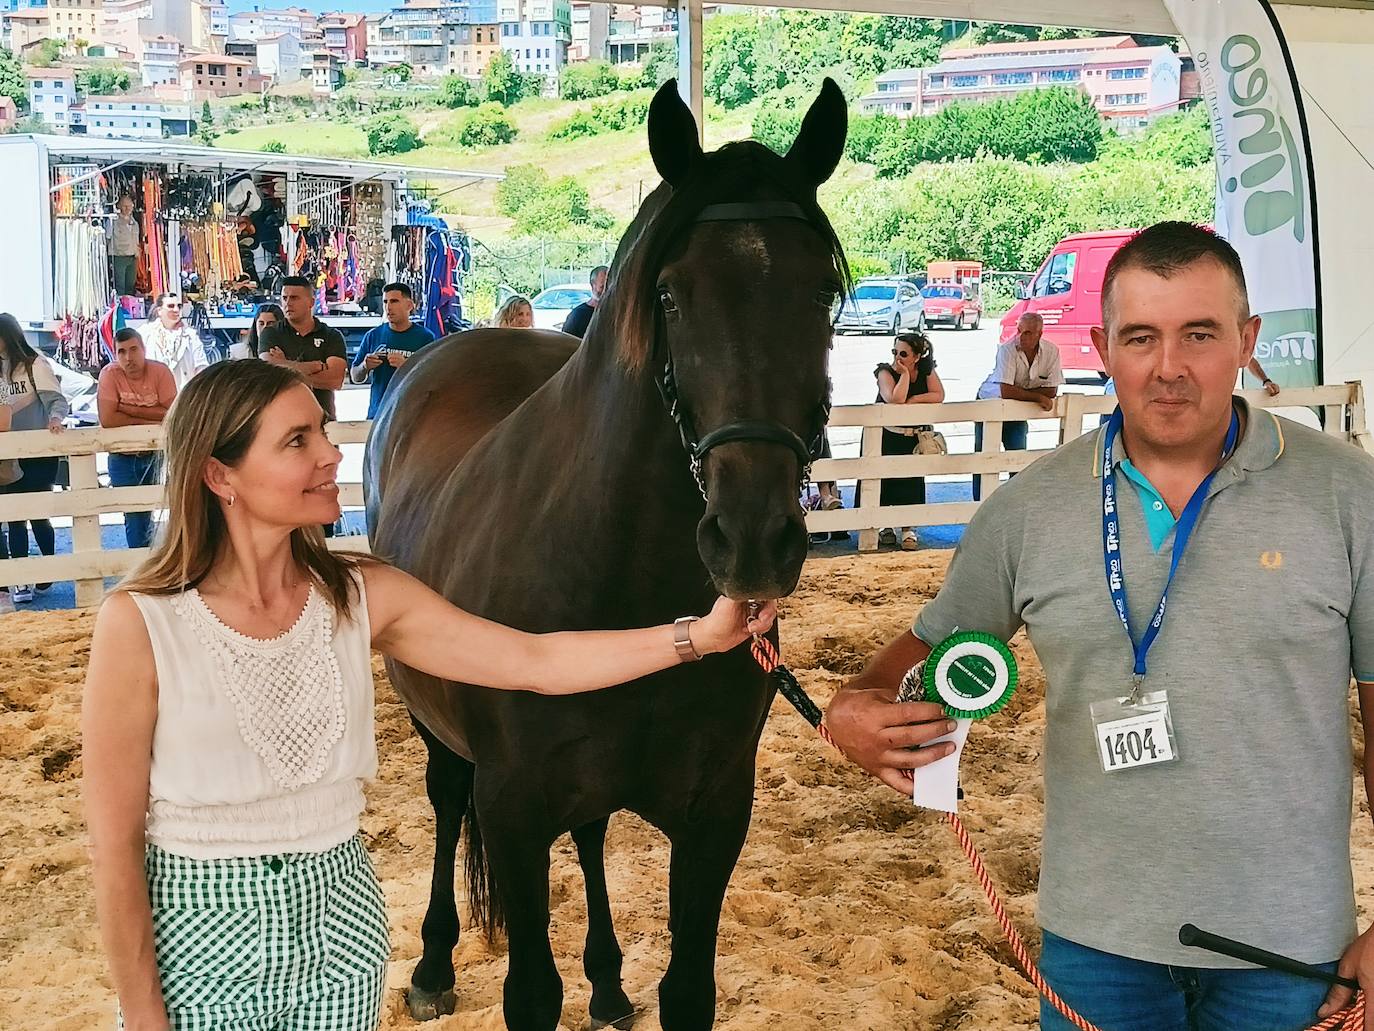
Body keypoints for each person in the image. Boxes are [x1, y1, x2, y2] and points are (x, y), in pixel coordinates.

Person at [81, 358, 775, 1031]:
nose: (331, 454)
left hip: (342, 934)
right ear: (218, 474)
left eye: (323, 430)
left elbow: (534, 660)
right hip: (200, 946)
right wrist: (143, 1013)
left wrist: (699, 637)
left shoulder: (360, 594)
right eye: (298, 440)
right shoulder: (141, 623)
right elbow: (113, 845)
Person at [824, 222, 1374, 1031]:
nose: (1170, 366)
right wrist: (852, 708)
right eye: (1141, 337)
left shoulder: (1347, 495)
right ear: (1102, 346)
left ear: (1247, 341)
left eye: (1200, 334)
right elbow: (914, 661)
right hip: (1096, 946)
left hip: (1289, 949)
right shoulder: (1027, 510)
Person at [0, 313, 68, 604]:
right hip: (8, 454)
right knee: (14, 517)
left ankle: (46, 569)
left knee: (39, 515)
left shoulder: (35, 364)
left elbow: (57, 400)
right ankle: (21, 581)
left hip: (38, 454)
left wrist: (55, 418)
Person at [97, 328, 176, 549]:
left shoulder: (160, 372)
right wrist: (152, 416)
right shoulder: (109, 374)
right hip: (121, 455)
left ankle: (148, 567)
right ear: (115, 354)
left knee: (153, 512)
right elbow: (108, 419)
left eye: (133, 349)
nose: (128, 357)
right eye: (121, 352)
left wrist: (127, 410)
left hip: (154, 454)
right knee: (134, 516)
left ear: (143, 349)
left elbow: (173, 412)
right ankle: (141, 566)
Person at [972, 311, 1062, 501]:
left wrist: (1033, 395)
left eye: (1028, 333)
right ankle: (979, 506)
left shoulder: (1051, 351)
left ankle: (1015, 504)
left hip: (1018, 408)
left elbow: (1052, 390)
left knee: (1018, 457)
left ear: (1040, 334)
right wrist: (1038, 397)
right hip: (990, 404)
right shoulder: (1007, 349)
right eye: (1019, 331)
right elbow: (1007, 391)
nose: (1021, 336)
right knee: (984, 458)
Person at [872, 332, 944, 551]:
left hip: (913, 435)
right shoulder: (885, 372)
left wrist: (916, 399)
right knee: (885, 480)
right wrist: (903, 375)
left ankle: (908, 528)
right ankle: (885, 526)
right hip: (888, 435)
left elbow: (939, 394)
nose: (898, 357)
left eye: (903, 353)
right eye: (895, 352)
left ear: (917, 356)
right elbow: (895, 399)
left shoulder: (926, 370)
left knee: (911, 480)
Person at [258, 277, 347, 422]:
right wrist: (314, 366)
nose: (288, 303)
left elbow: (335, 380)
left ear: (311, 302)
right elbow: (269, 371)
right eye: (284, 298)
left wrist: (285, 366)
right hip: (281, 421)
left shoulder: (332, 336)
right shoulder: (270, 333)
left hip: (322, 421)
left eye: (294, 298)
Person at [349, 282, 435, 420]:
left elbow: (432, 380)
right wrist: (365, 366)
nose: (388, 307)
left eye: (394, 301)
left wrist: (407, 366)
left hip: (411, 416)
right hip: (378, 415)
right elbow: (355, 377)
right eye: (385, 301)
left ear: (409, 305)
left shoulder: (425, 338)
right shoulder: (373, 335)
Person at [142, 294, 210, 391]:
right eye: (170, 306)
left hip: (183, 396)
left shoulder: (190, 336)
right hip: (155, 396)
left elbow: (201, 369)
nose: (176, 310)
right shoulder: (145, 334)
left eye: (179, 306)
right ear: (159, 311)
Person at [560, 265, 608, 338]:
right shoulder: (578, 315)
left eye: (611, 285)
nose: (607, 290)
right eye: (603, 286)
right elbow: (565, 343)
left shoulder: (618, 314)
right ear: (592, 285)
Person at [107, 195, 141, 297]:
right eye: (125, 206)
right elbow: (107, 238)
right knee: (120, 286)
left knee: (130, 286)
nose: (127, 208)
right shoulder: (113, 221)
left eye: (129, 206)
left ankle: (129, 307)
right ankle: (119, 308)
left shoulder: (134, 222)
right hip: (119, 257)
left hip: (132, 257)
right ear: (119, 207)